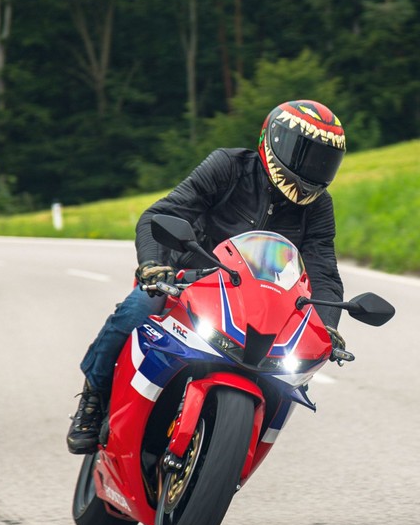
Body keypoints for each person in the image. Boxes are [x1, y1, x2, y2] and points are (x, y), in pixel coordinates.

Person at [67, 99, 348, 454]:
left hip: (260, 301)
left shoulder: (320, 206)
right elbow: (165, 212)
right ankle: (92, 397)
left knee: (292, 370)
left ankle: (239, 444)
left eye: (323, 160)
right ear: (273, 141)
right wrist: (155, 266)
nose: (312, 168)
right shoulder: (229, 166)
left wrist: (328, 324)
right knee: (139, 306)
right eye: (305, 154)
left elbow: (322, 265)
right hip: (189, 278)